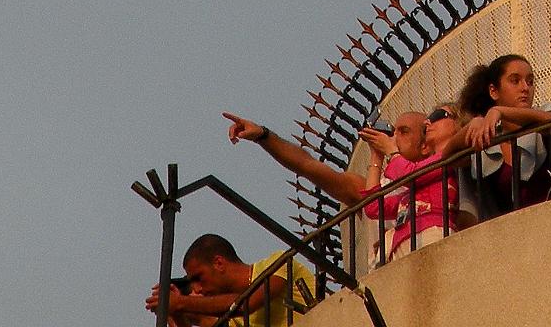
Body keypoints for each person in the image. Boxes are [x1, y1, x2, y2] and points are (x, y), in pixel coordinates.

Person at [223, 105, 468, 257]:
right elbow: (308, 165)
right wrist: (264, 136)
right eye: (393, 131)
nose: (393, 136)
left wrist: (391, 152)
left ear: (424, 144)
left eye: (403, 132)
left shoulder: (445, 163)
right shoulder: (378, 182)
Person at [453, 53, 551, 218]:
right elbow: (446, 158)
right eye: (515, 81)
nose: (525, 88)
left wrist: (498, 111)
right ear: (493, 91)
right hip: (517, 237)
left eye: (530, 81)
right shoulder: (487, 138)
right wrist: (471, 125)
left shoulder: (547, 111)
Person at [145, 233, 314, 327]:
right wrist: (175, 312)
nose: (197, 288)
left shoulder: (278, 263)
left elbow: (246, 304)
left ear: (218, 263)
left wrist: (181, 302)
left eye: (198, 277)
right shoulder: (234, 321)